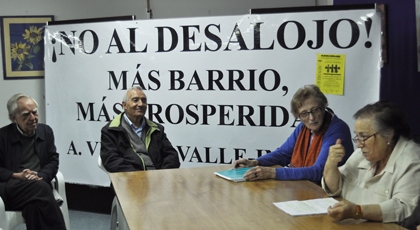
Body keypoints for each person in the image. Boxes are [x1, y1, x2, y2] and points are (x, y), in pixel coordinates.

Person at [322, 101, 420, 223]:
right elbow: (335, 188)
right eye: (357, 136)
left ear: (388, 134)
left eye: (363, 136)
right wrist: (331, 164)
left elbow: (403, 208)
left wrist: (357, 211)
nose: (358, 144)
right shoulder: (362, 153)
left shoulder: (412, 161)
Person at [233, 84, 353, 183]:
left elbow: (318, 172)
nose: (311, 118)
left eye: (315, 110)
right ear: (298, 116)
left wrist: (272, 172)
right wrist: (255, 162)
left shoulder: (337, 129)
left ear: (323, 107)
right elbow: (283, 154)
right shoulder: (303, 127)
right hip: (304, 189)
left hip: (330, 195)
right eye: (304, 114)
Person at [0, 93, 66, 230]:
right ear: (13, 118)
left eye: (34, 112)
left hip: (38, 184)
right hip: (12, 188)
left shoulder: (45, 131)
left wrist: (41, 176)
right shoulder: (2, 136)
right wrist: (17, 176)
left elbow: (53, 160)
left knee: (34, 207)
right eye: (25, 115)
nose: (32, 118)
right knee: (42, 188)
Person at [100, 86, 180, 172]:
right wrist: (139, 177)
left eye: (144, 101)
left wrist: (162, 174)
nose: (141, 104)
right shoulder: (111, 130)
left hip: (158, 178)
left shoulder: (156, 129)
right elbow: (111, 160)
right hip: (129, 180)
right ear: (124, 105)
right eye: (135, 100)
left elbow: (171, 155)